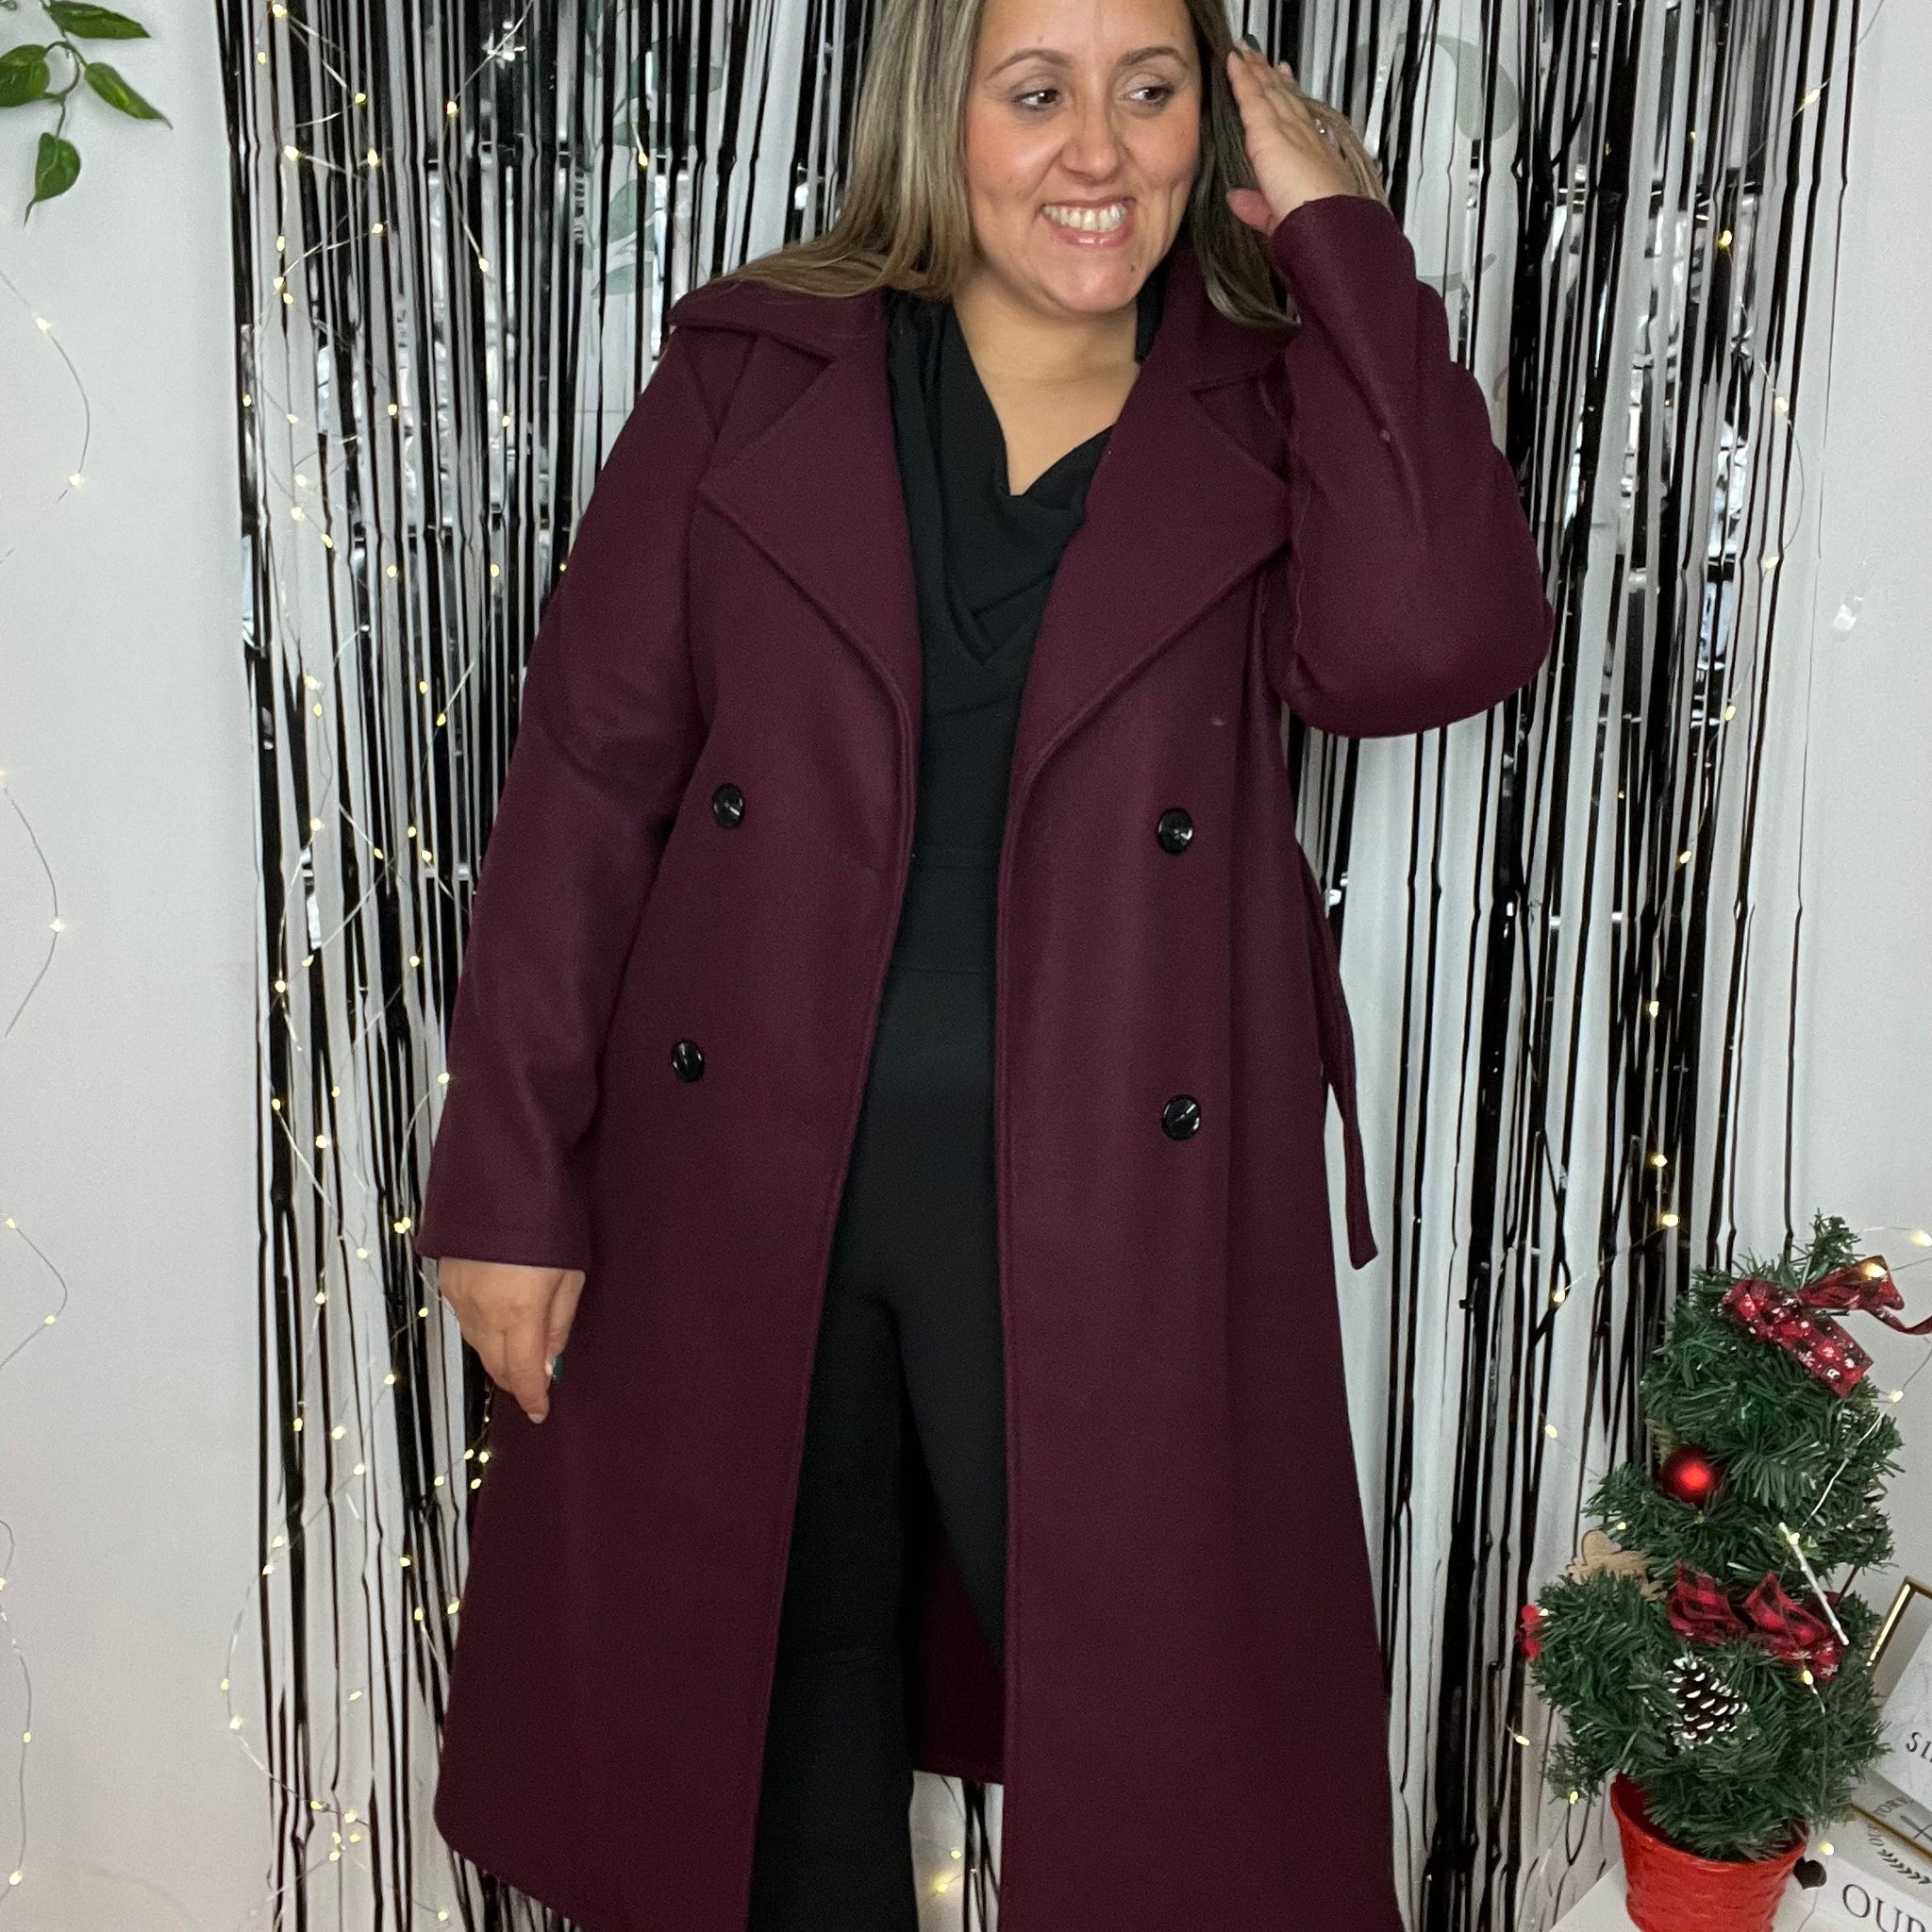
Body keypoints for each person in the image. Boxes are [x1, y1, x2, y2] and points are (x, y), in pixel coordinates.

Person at [411, 0, 1554, 1922]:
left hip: (1119, 1202)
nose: (1097, 152)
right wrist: (507, 1180)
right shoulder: (753, 370)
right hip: (739, 1177)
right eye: (1037, 95)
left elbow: (1431, 646)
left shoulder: (1269, 398)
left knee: (1177, 1775)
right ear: (941, 115)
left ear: (1216, 123)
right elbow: (591, 781)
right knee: (769, 1731)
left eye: (1150, 90)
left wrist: (1341, 240)